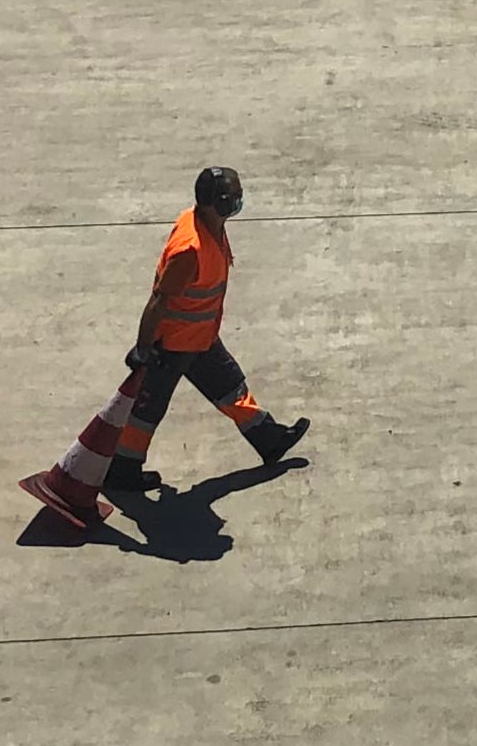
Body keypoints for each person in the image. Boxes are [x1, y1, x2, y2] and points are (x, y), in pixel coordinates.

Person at [21, 167, 309, 530]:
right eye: (232, 197)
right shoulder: (189, 249)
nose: (238, 201)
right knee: (148, 409)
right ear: (215, 203)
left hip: (200, 336)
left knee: (229, 386)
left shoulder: (209, 226)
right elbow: (160, 299)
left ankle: (269, 439)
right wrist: (144, 346)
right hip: (174, 343)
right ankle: (124, 470)